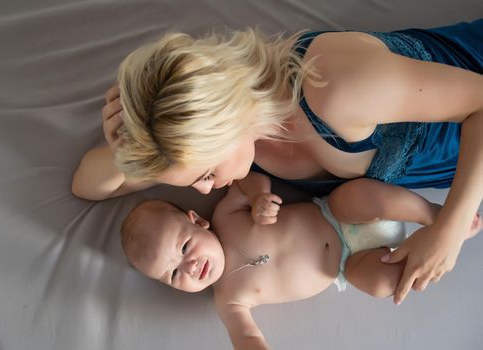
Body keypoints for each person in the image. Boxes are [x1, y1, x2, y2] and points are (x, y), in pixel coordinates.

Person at [73, 19, 483, 304]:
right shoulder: (242, 145)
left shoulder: (337, 86)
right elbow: (86, 186)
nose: (203, 192)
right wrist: (124, 147)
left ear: (225, 123)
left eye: (206, 173)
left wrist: (447, 230)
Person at [121, 173, 481, 350]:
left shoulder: (225, 215)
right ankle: (423, 249)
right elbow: (244, 335)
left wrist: (260, 198)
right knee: (379, 284)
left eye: (184, 249)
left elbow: (248, 182)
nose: (188, 268)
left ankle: (435, 217)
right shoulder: (227, 299)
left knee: (354, 196)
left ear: (196, 221)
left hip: (337, 214)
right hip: (349, 265)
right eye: (172, 274)